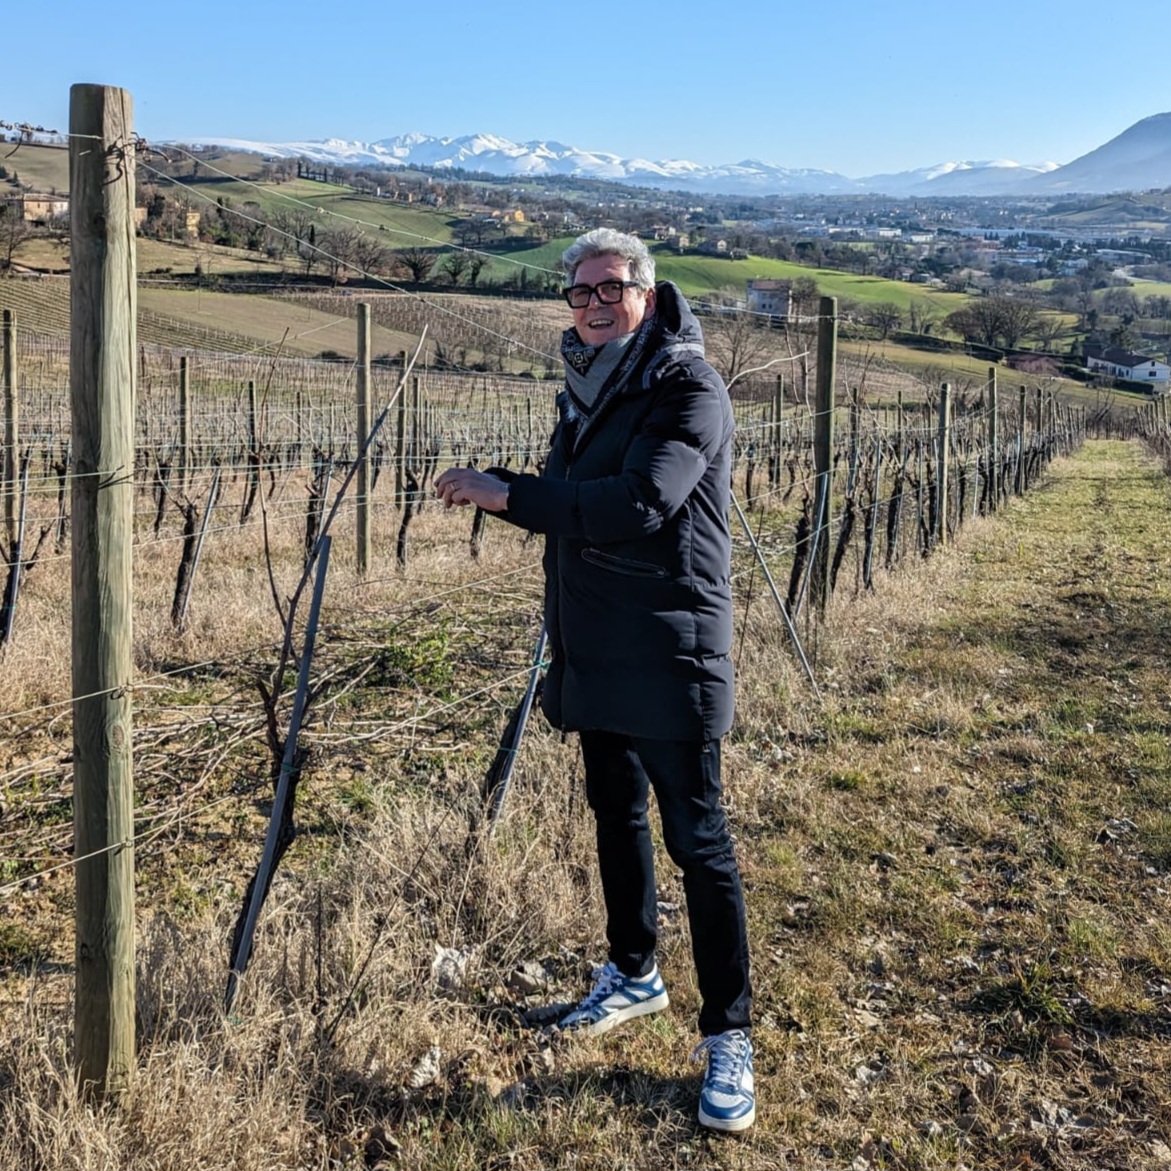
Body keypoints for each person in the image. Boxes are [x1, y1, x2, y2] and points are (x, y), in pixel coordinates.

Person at [435, 228, 754, 1133]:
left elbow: (638, 503)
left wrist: (512, 495)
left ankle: (729, 1032)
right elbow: (566, 505)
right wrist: (501, 486)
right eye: (579, 292)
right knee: (612, 810)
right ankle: (632, 971)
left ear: (646, 295)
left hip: (667, 647)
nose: (593, 304)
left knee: (699, 841)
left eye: (610, 288)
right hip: (593, 643)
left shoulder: (686, 387)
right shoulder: (586, 388)